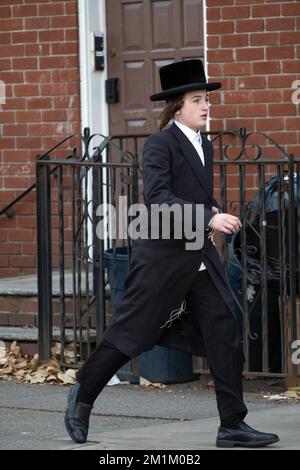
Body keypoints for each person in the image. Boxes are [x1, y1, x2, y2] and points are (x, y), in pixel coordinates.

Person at [65, 59, 279, 448]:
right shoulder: (160, 143)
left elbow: (192, 194)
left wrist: (211, 209)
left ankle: (232, 425)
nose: (206, 105)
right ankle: (83, 393)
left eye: (207, 99)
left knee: (225, 327)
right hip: (162, 259)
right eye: (197, 99)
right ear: (176, 107)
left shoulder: (205, 145)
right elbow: (159, 199)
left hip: (197, 258)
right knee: (132, 335)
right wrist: (207, 218)